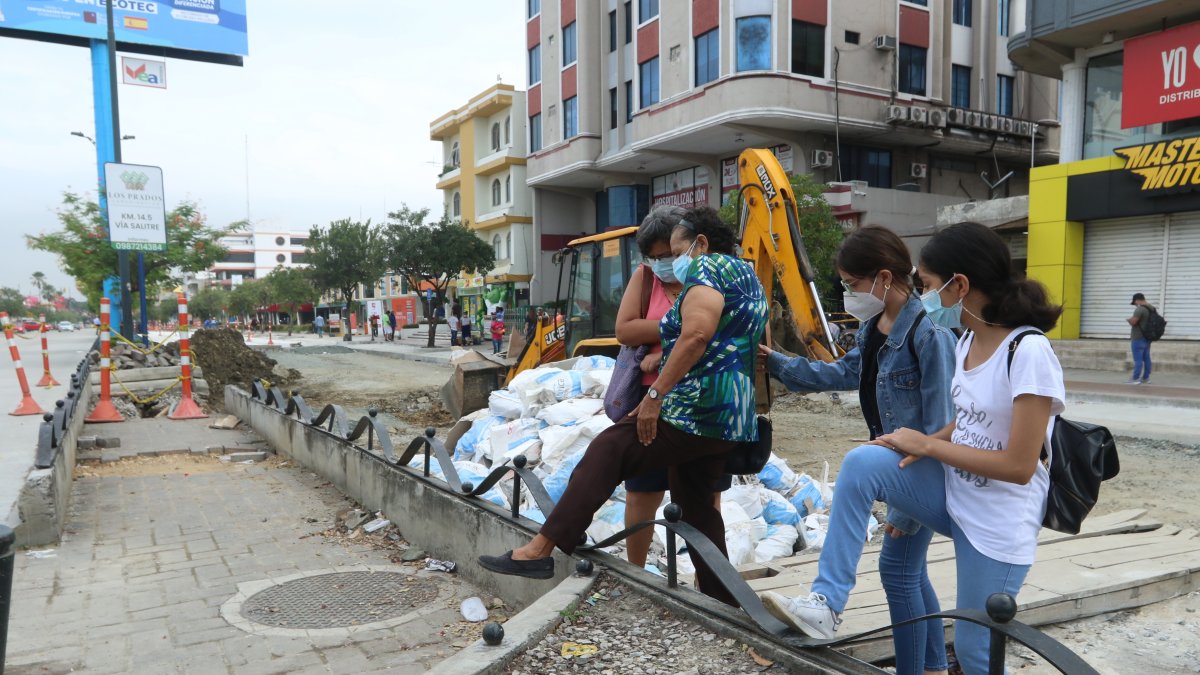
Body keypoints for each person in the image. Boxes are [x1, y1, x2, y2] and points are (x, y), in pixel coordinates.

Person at [759, 222, 1065, 675]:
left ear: (961, 285)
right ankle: (826, 603)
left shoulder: (1028, 350)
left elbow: (1020, 466)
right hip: (956, 494)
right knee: (864, 462)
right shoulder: (967, 341)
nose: (923, 295)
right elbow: (969, 419)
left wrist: (926, 444)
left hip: (998, 519)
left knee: (977, 650)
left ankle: (930, 666)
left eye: (928, 285)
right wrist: (920, 446)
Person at [478, 206, 767, 606]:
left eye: (677, 249)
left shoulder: (708, 269)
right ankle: (724, 601)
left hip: (695, 410)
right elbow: (719, 340)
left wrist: (654, 394)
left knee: (609, 449)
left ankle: (540, 550)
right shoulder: (746, 274)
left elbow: (697, 333)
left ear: (700, 243)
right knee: (699, 508)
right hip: (731, 416)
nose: (672, 261)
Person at [758, 225, 956, 675]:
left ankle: (836, 610)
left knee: (899, 570)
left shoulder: (929, 333)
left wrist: (906, 510)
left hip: (926, 470)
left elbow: (940, 426)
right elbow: (841, 374)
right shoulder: (873, 328)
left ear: (884, 277)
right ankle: (931, 668)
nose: (848, 293)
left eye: (851, 284)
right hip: (902, 470)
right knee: (906, 573)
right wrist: (778, 363)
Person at [614, 205, 735, 569]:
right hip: (651, 403)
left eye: (667, 255)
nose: (661, 264)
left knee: (706, 499)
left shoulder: (716, 274)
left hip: (706, 403)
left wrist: (668, 347)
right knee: (642, 492)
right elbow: (625, 331)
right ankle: (637, 572)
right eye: (652, 257)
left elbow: (724, 335)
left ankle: (710, 582)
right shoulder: (647, 277)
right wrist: (681, 327)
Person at [1126, 292, 1154, 385]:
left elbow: (1134, 322)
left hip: (1138, 337)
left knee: (1138, 359)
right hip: (1147, 338)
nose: (1135, 305)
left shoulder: (1140, 309)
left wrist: (1129, 320)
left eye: (1135, 303)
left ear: (1137, 300)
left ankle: (1135, 378)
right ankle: (1146, 378)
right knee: (1146, 358)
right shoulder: (1152, 308)